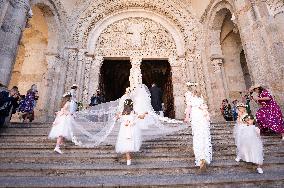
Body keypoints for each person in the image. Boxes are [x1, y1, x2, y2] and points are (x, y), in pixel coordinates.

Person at [115, 99, 147, 165]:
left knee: (125, 143)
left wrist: (118, 116)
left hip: (124, 129)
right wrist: (145, 113)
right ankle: (129, 159)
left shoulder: (122, 112)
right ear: (131, 105)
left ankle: (128, 159)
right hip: (132, 129)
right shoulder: (133, 112)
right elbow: (141, 117)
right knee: (130, 142)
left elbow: (116, 118)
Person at [188, 88, 212, 173]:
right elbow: (205, 110)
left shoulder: (191, 99)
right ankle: (204, 158)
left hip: (197, 119)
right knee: (204, 138)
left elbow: (189, 108)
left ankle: (200, 159)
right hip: (202, 119)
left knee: (198, 138)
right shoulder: (201, 101)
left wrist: (187, 117)